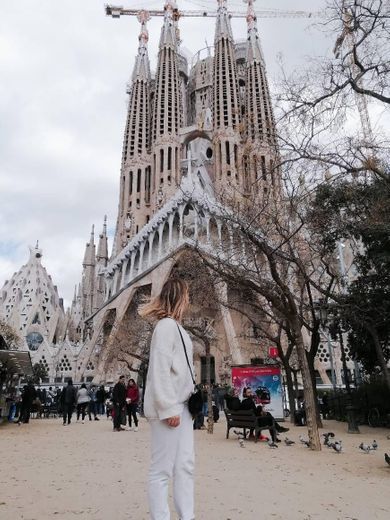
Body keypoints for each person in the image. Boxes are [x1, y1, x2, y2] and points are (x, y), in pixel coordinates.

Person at [140, 278, 195, 520]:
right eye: (187, 295)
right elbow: (159, 369)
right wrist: (167, 407)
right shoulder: (165, 327)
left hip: (182, 406)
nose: (189, 300)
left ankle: (187, 516)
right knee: (162, 469)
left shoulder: (178, 328)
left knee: (185, 465)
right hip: (170, 407)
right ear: (179, 297)